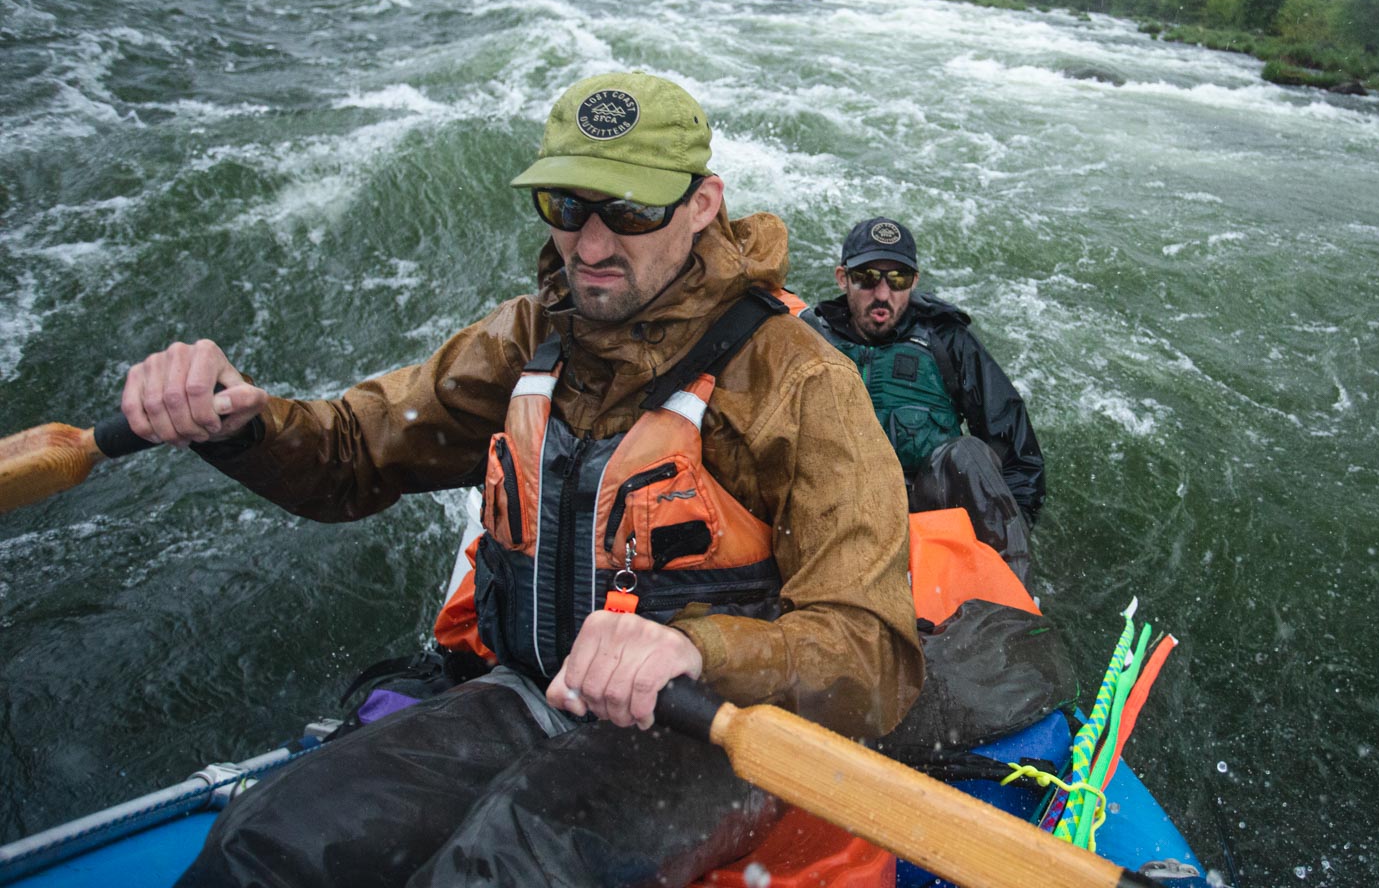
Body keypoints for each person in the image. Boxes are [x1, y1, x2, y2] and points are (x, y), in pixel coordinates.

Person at [120, 72, 924, 888]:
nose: (593, 245)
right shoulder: (528, 339)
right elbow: (353, 456)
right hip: (526, 696)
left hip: (707, 739)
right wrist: (245, 424)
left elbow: (876, 653)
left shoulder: (799, 382)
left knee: (503, 869)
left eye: (631, 211)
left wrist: (695, 647)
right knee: (264, 840)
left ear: (704, 203)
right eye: (567, 208)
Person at [801, 218, 1045, 582]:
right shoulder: (808, 339)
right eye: (867, 278)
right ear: (842, 278)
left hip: (926, 511)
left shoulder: (945, 340)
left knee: (967, 456)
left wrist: (1016, 529)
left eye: (897, 279)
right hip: (837, 508)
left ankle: (1008, 598)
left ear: (913, 282)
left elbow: (1016, 452)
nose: (882, 294)